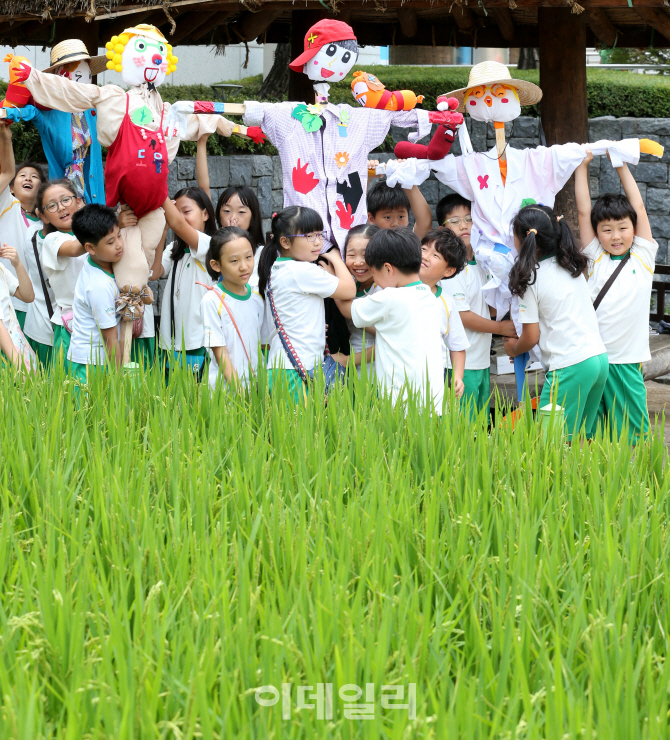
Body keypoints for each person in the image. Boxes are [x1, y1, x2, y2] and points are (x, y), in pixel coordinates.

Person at [504, 205, 609, 440]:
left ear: (522, 239)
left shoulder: (530, 278)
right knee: (581, 438)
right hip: (598, 359)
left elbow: (530, 337)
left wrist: (512, 348)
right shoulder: (571, 266)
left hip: (570, 365)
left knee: (550, 443)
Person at [575, 150, 656, 443]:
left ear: (633, 228)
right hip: (594, 359)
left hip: (626, 359)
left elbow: (640, 208)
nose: (616, 236)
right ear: (598, 234)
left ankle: (636, 482)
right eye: (607, 230)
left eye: (623, 227)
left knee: (635, 433)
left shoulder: (643, 257)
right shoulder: (594, 255)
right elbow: (584, 210)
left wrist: (620, 164)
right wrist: (582, 166)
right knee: (595, 433)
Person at [258, 206, 356, 403]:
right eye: (309, 236)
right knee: (301, 432)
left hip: (283, 368)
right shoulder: (301, 271)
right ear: (285, 242)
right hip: (296, 371)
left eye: (320, 234)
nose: (318, 242)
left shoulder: (278, 268)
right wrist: (336, 257)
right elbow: (349, 290)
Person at [348, 228, 449, 412]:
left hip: (399, 403)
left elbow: (350, 311)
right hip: (433, 401)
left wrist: (336, 272)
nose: (376, 282)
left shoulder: (389, 298)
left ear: (387, 268)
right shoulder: (430, 297)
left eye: (374, 274)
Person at [438, 194, 517, 418]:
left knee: (477, 428)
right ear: (443, 228)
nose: (463, 225)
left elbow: (489, 306)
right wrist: (502, 328)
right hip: (459, 365)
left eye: (469, 219)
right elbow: (463, 315)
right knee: (462, 430)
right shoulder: (450, 269)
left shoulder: (482, 262)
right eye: (454, 221)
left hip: (480, 361)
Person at [0, 40, 107, 204]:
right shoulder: (50, 110)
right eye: (75, 72)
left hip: (93, 188)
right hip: (63, 188)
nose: (82, 79)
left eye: (87, 74)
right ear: (60, 75)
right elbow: (32, 112)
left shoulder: (95, 108)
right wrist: (10, 112)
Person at [154, 187, 216, 380]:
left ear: (205, 213)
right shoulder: (175, 249)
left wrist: (157, 184)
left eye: (186, 211)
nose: (180, 216)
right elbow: (155, 271)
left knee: (196, 400)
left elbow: (178, 224)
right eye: (176, 211)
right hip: (171, 341)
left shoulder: (210, 245)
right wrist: (163, 229)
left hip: (198, 340)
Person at [200, 226, 267, 391]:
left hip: (258, 388)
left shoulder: (258, 296)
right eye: (234, 261)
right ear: (216, 265)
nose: (244, 266)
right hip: (225, 392)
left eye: (248, 257)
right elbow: (220, 353)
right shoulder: (212, 300)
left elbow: (264, 345)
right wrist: (240, 392)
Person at [67, 204, 124, 382]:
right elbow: (110, 340)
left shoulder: (99, 262)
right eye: (110, 242)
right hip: (90, 365)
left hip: (95, 359)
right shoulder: (99, 285)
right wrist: (119, 379)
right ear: (90, 248)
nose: (119, 245)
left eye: (119, 236)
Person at [36, 179, 86, 366]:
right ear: (45, 217)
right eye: (52, 205)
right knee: (72, 387)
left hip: (102, 320)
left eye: (66, 200)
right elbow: (74, 249)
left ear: (78, 202)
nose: (61, 207)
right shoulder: (52, 240)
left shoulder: (98, 236)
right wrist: (105, 228)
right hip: (70, 325)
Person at [0, 125, 44, 328]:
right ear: (11, 187)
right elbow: (6, 171)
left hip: (36, 306)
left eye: (34, 177)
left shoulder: (48, 222)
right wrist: (6, 139)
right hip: (7, 297)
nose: (28, 178)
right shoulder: (7, 204)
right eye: (23, 175)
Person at [419, 228, 469, 399]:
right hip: (397, 380)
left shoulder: (446, 302)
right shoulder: (396, 290)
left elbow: (457, 346)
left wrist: (457, 377)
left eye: (435, 256)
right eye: (424, 249)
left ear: (448, 271)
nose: (425, 256)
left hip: (433, 384)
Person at [367, 170, 433, 239]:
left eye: (401, 216)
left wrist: (406, 177)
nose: (395, 224)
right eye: (387, 217)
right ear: (371, 219)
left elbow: (425, 222)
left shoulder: (411, 244)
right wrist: (365, 177)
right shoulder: (364, 244)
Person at [0, 242, 35, 366]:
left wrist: (18, 264)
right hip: (7, 352)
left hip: (10, 348)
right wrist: (19, 366)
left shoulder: (1, 269)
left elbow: (28, 296)